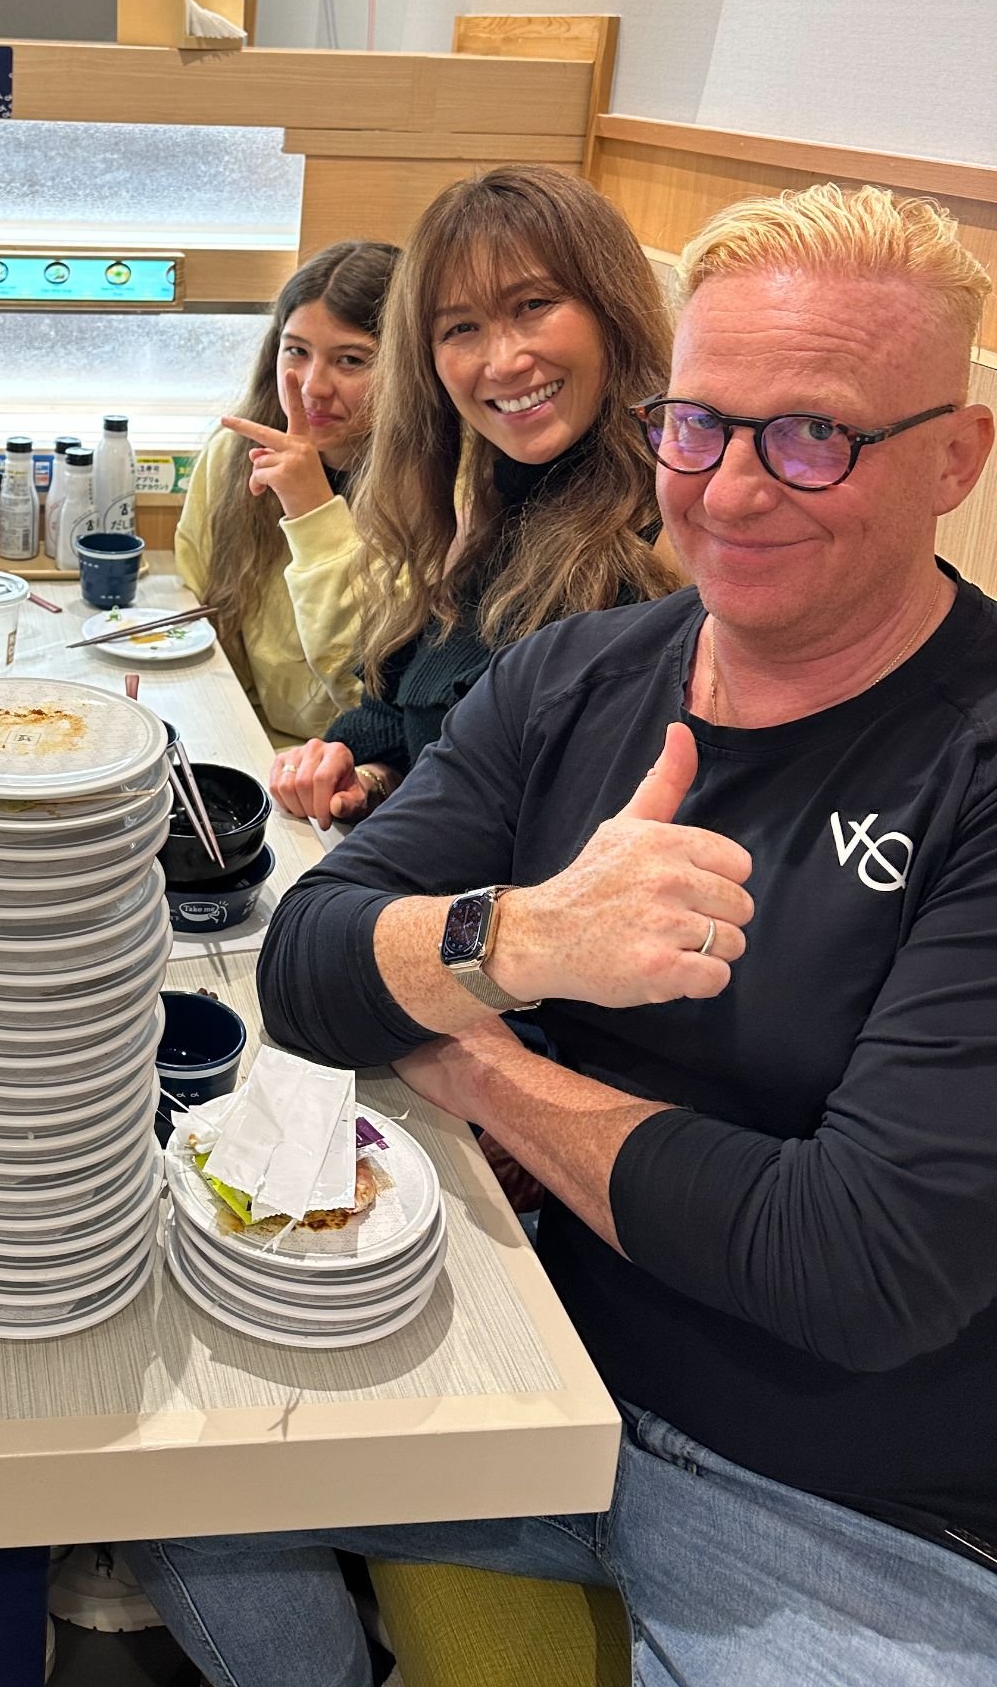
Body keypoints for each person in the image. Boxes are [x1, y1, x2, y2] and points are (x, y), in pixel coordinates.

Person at [125, 184, 997, 1686]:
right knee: (144, 1461)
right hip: (526, 1355)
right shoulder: (579, 674)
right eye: (699, 426)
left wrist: (475, 1062)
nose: (732, 492)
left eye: (816, 436)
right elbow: (310, 958)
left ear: (957, 459)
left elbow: (860, 1264)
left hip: (845, 1512)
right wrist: (521, 938)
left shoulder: (970, 761)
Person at [269, 168, 678, 826]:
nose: (504, 361)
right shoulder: (480, 498)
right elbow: (414, 730)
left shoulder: (671, 531)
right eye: (461, 327)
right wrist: (367, 776)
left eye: (533, 305)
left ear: (611, 309)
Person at [177, 241, 399, 740]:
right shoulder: (233, 455)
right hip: (249, 741)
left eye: (351, 360)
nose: (312, 386)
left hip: (368, 762)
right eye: (296, 351)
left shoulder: (448, 490)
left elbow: (376, 699)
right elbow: (200, 624)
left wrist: (312, 510)